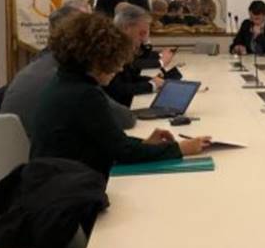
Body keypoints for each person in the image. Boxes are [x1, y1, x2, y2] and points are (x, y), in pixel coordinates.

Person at [28, 12, 210, 178]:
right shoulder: (85, 95)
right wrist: (179, 149)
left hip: (53, 180)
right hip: (70, 187)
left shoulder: (63, 82)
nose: (120, 68)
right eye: (115, 60)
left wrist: (144, 145)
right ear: (97, 59)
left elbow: (111, 140)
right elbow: (123, 151)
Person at [0, 2, 136, 137]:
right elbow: (124, 119)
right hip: (41, 148)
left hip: (9, 145)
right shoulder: (68, 76)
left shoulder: (39, 64)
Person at [105, 4, 173, 107]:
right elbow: (116, 89)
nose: (144, 39)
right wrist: (151, 85)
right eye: (141, 33)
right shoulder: (109, 49)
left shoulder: (122, 47)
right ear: (126, 28)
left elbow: (130, 78)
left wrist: (152, 81)